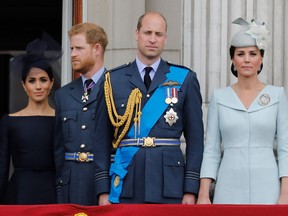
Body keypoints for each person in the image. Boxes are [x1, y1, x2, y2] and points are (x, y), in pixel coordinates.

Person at [104, 11, 204, 204]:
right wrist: (102, 190)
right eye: (147, 32)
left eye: (158, 34)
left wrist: (191, 189)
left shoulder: (185, 79)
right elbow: (102, 140)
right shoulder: (113, 80)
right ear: (136, 34)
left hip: (170, 185)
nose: (152, 39)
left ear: (165, 38)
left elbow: (196, 141)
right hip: (126, 182)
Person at [197, 17, 288, 204]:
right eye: (240, 54)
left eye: (253, 54)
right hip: (228, 185)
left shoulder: (277, 95)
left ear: (261, 57)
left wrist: (285, 194)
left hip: (268, 185)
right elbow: (212, 150)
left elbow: (285, 149)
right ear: (232, 58)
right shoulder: (219, 97)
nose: (247, 60)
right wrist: (204, 194)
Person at [54, 22, 112, 206]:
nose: (72, 54)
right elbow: (59, 149)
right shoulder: (63, 94)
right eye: (71, 48)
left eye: (78, 48)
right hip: (71, 186)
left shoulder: (117, 87)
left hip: (106, 185)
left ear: (97, 49)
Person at [0, 38, 62, 204]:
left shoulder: (60, 120)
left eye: (43, 80)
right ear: (23, 85)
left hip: (53, 193)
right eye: (32, 81)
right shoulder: (9, 121)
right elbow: (2, 169)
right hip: (19, 194)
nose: (38, 86)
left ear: (51, 83)